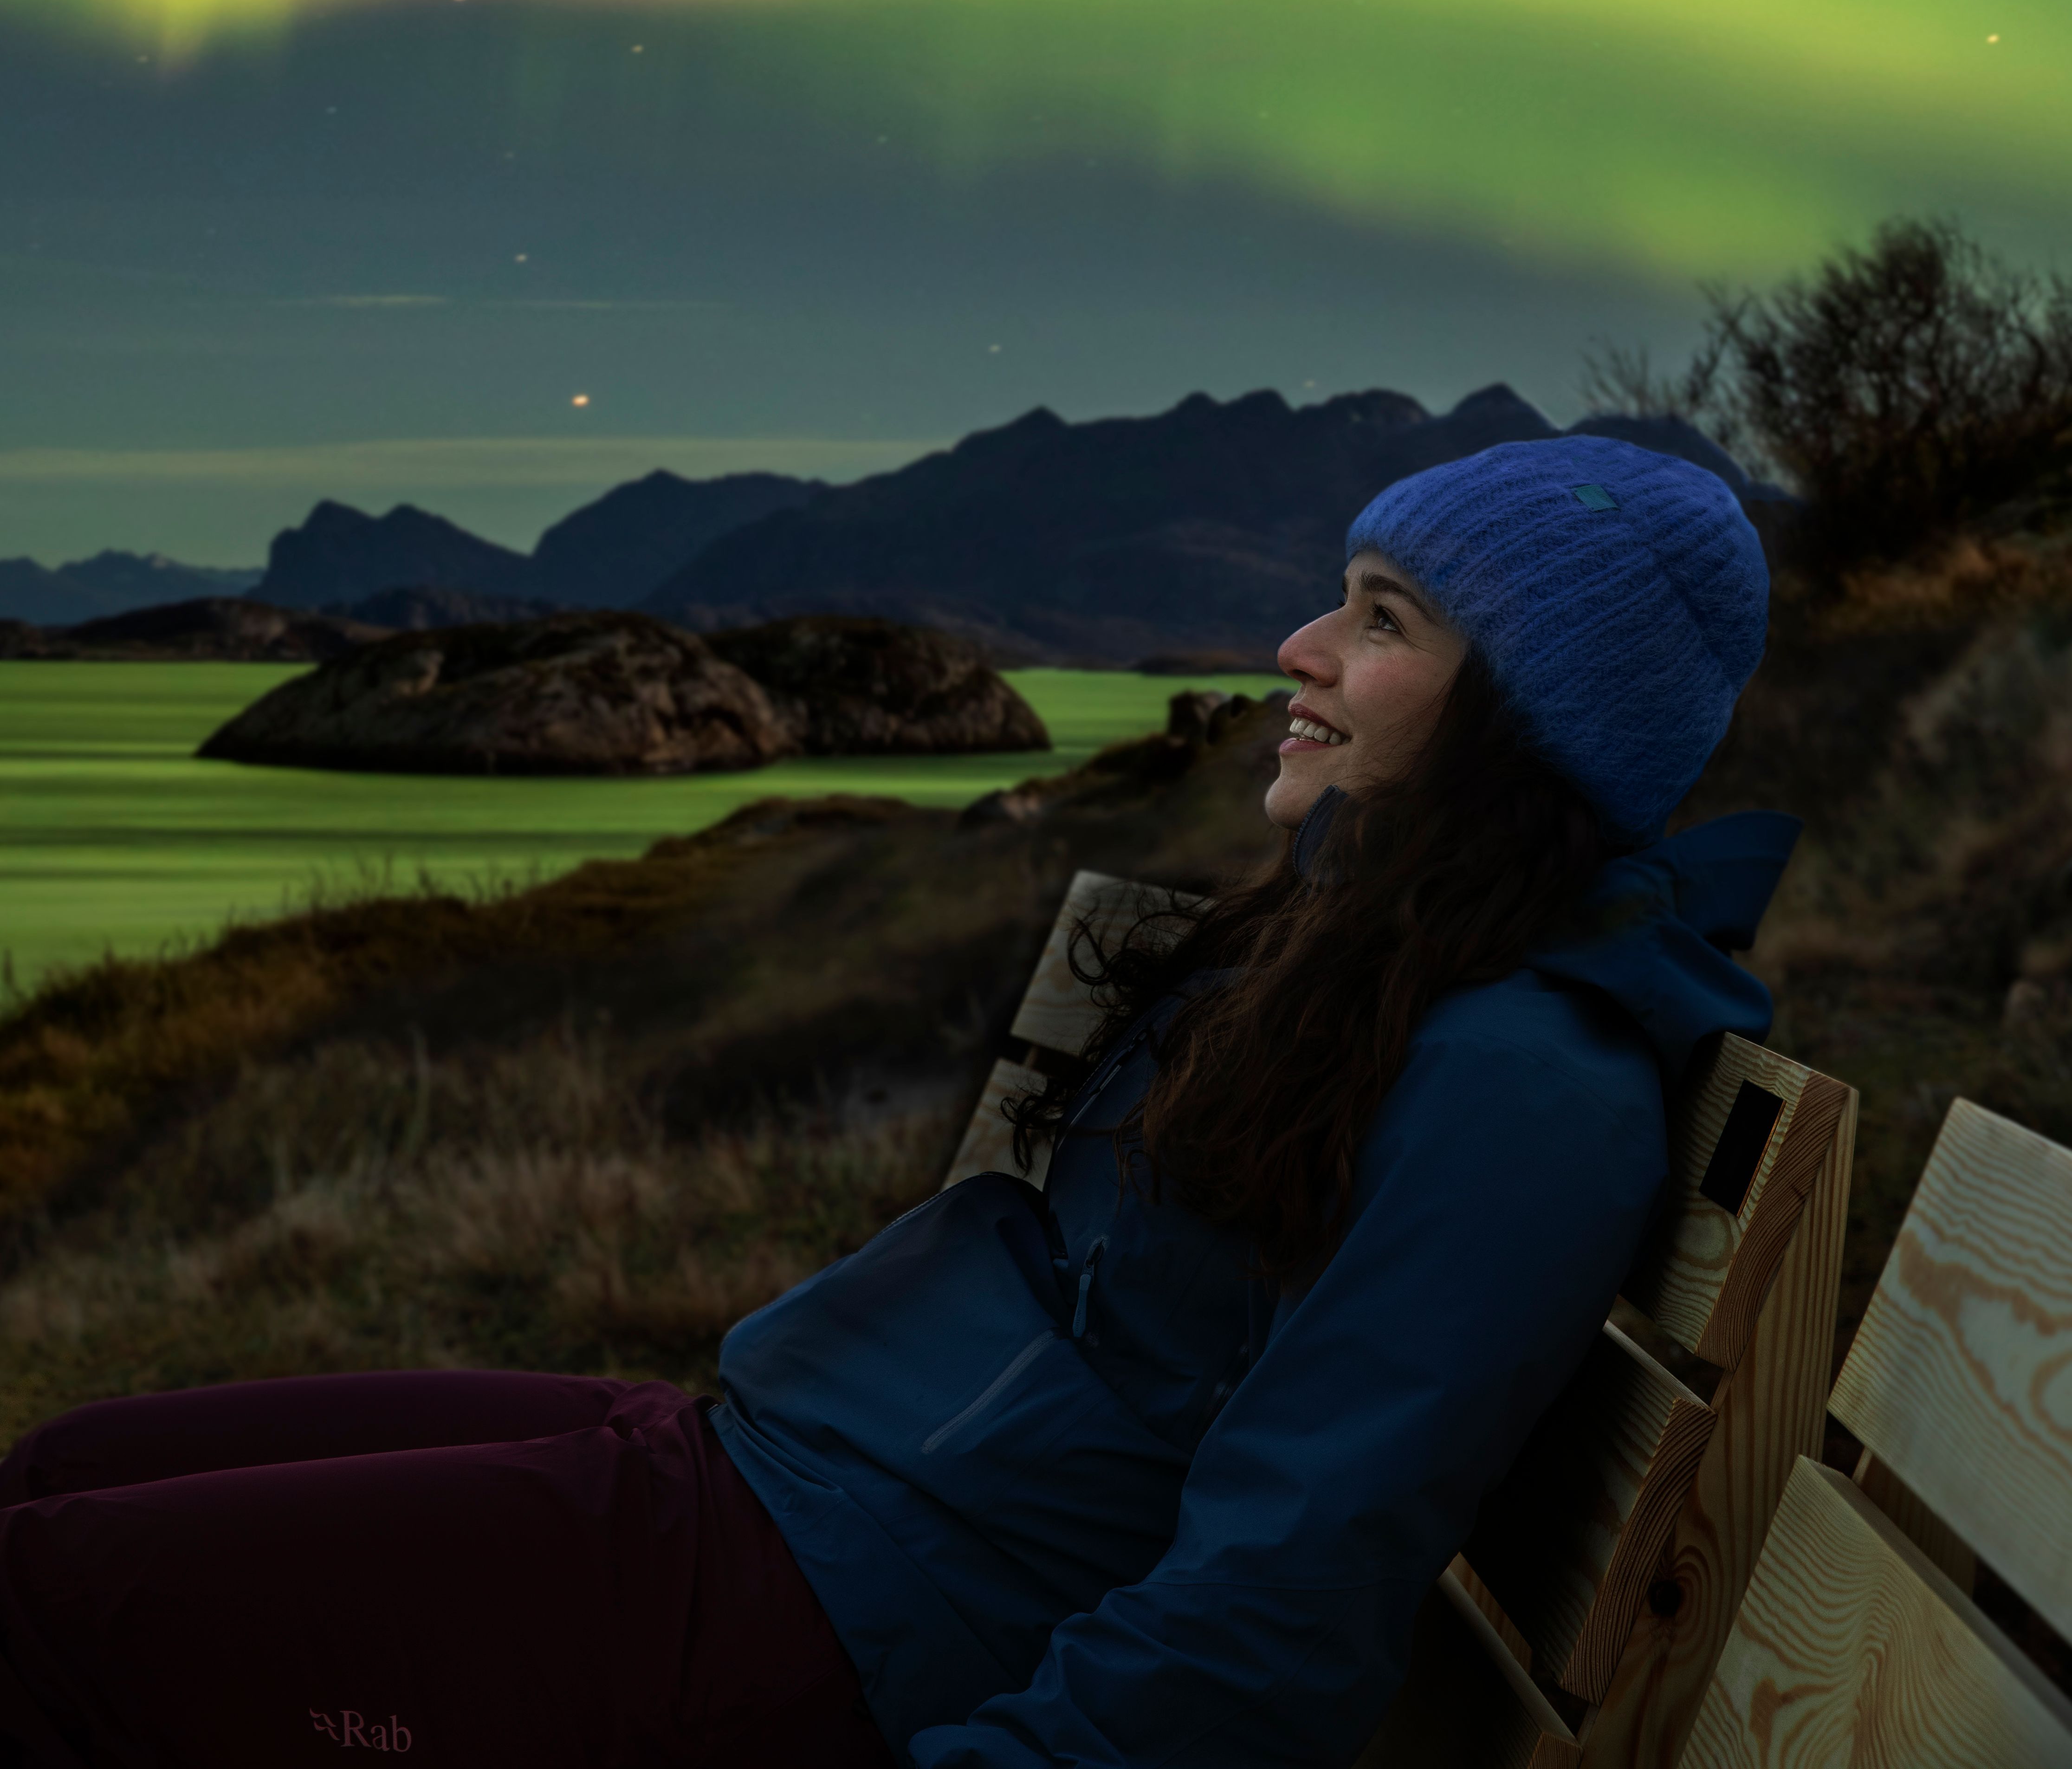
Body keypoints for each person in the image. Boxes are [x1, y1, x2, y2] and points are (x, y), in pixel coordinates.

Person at [0, 436, 1794, 1769]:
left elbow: (1282, 1600)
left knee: (55, 1610)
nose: (1295, 648)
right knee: (69, 1474)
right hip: (791, 1475)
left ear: (1526, 723)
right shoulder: (1371, 957)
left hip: (851, 1611)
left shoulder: (1525, 1084)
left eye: (1381, 620)